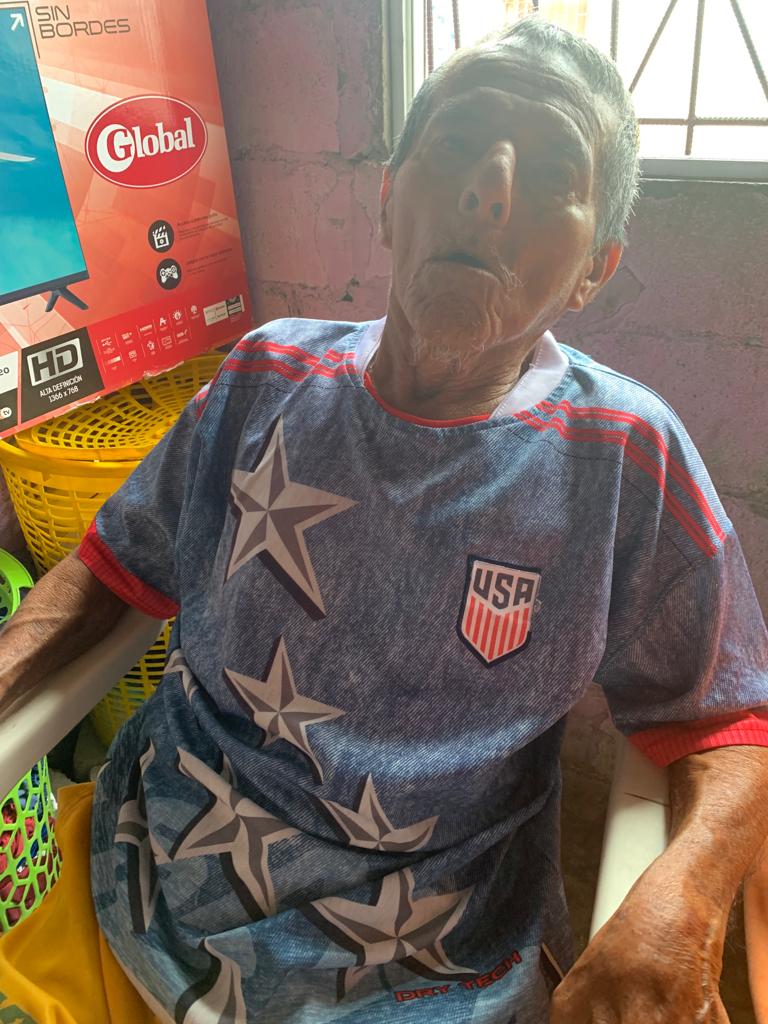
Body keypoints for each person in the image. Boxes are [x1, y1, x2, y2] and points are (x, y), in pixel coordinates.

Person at [1, 15, 767, 1024]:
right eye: (457, 143)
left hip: (425, 964)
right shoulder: (266, 374)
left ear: (596, 267)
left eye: (551, 175)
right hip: (151, 873)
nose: (490, 187)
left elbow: (730, 717)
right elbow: (111, 570)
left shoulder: (624, 454)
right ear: (389, 199)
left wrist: (686, 895)